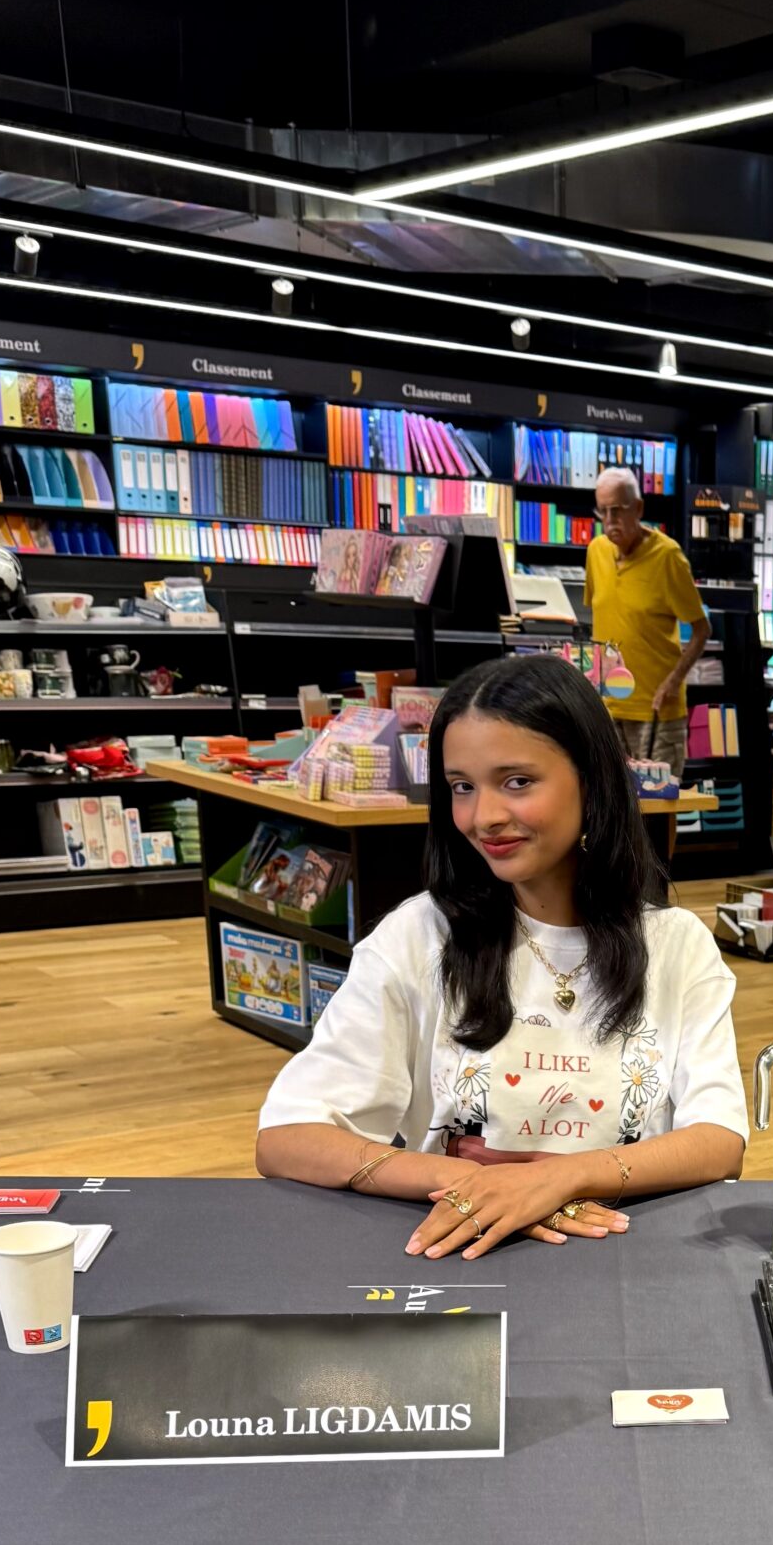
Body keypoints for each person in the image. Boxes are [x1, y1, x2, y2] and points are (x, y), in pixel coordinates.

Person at [255, 654, 747, 1259]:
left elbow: (719, 1139)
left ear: (592, 781)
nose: (483, 817)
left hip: (632, 1255)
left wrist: (562, 1177)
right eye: (462, 787)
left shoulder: (675, 944)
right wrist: (477, 1184)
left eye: (517, 782)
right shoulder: (417, 936)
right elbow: (286, 1138)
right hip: (459, 1253)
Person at [584, 465, 710, 778]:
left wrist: (673, 682)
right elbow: (599, 623)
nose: (609, 520)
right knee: (611, 803)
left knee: (657, 807)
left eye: (617, 510)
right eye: (602, 511)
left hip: (657, 712)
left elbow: (701, 630)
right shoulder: (596, 552)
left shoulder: (667, 557)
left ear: (638, 508)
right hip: (608, 709)